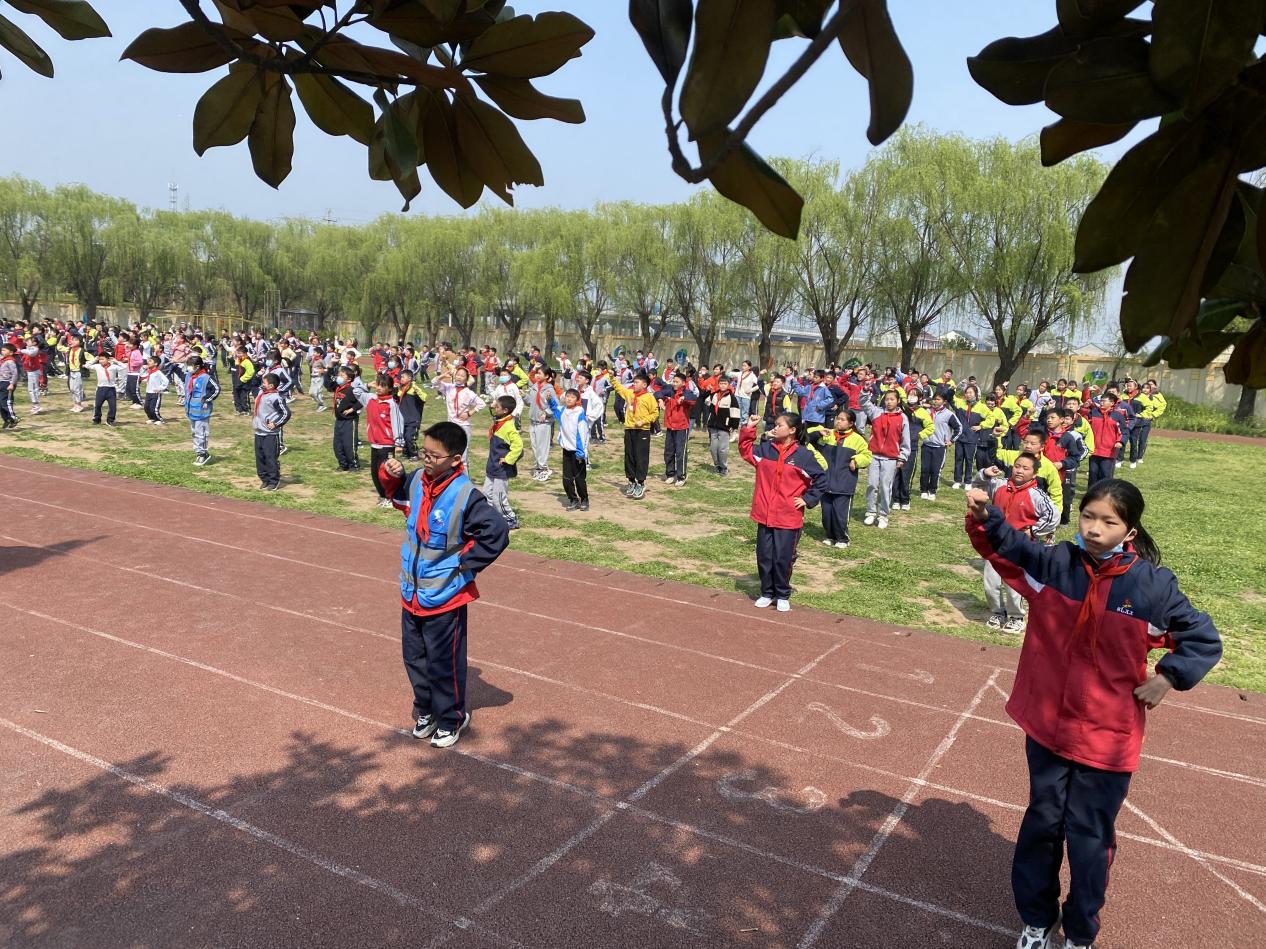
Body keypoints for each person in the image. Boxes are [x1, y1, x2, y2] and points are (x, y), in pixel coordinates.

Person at [966, 479, 1221, 949]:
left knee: (1088, 838)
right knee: (1042, 823)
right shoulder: (1056, 564)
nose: (1095, 528)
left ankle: (1080, 932)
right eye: (1088, 517)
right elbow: (1008, 548)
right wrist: (986, 518)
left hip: (1107, 738)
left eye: (1109, 521)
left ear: (1130, 530)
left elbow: (1203, 638)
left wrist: (1167, 677)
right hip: (1048, 725)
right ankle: (1037, 919)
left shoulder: (1152, 586)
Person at [379, 422, 511, 749]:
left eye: (433, 455)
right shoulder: (418, 483)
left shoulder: (466, 496)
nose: (426, 459)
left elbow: (496, 533)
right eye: (424, 452)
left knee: (444, 661)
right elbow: (392, 494)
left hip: (444, 596)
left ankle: (451, 718)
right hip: (412, 593)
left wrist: (463, 567)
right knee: (415, 657)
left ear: (454, 460)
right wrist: (390, 473)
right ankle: (425, 711)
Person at [738, 412, 828, 612]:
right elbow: (745, 450)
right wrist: (750, 427)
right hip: (765, 514)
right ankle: (767, 592)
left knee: (783, 557)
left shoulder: (804, 455)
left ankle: (782, 594)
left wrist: (806, 499)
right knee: (764, 556)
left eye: (779, 425)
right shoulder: (765, 450)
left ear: (792, 430)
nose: (775, 427)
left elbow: (821, 480)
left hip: (788, 517)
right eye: (775, 425)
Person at [971, 454, 1058, 631]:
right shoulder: (999, 485)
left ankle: (1016, 616)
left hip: (1018, 546)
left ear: (1034, 474)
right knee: (991, 582)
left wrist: (1033, 531)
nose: (1020, 470)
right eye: (1017, 466)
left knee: (1013, 583)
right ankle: (997, 612)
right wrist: (985, 475)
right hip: (994, 542)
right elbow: (977, 489)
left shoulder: (1037, 495)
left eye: (1026, 468)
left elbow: (1053, 516)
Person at [810, 408, 871, 548]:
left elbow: (867, 456)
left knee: (840, 514)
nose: (838, 421)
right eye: (838, 418)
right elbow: (806, 437)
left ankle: (842, 538)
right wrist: (817, 433)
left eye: (842, 419)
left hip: (844, 483)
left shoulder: (857, 439)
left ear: (851, 424)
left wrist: (856, 460)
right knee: (826, 513)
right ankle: (829, 535)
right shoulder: (827, 434)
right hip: (826, 481)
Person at [859, 388, 910, 530]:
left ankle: (883, 515)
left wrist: (902, 457)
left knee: (885, 487)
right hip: (874, 455)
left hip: (890, 458)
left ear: (898, 401)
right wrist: (865, 390)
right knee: (872, 485)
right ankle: (870, 512)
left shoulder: (902, 418)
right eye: (887, 399)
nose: (889, 402)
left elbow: (905, 440)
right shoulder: (876, 413)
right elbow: (863, 402)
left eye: (892, 399)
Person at [610, 370, 658, 499]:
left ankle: (641, 482)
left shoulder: (649, 397)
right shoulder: (630, 393)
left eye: (637, 382)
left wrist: (643, 421)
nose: (634, 384)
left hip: (642, 430)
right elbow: (619, 388)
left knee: (640, 457)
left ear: (644, 385)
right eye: (634, 382)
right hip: (629, 429)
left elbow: (655, 413)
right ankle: (631, 481)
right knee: (629, 455)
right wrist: (612, 377)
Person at [547, 387, 592, 511]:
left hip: (578, 451)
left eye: (572, 397)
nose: (569, 399)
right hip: (566, 451)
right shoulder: (563, 411)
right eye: (567, 396)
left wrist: (581, 451)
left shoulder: (579, 413)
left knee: (579, 478)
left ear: (577, 400)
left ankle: (584, 500)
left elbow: (582, 434)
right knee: (566, 479)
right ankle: (573, 499)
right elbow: (555, 409)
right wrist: (550, 400)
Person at [364, 373, 405, 507]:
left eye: (383, 386)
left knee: (386, 473)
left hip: (387, 444)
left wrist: (399, 442)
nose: (379, 388)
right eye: (378, 384)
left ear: (389, 388)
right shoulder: (371, 399)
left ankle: (391, 497)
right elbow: (355, 390)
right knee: (375, 472)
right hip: (375, 444)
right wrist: (367, 385)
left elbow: (398, 422)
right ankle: (383, 496)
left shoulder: (391, 404)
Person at [484, 395, 523, 528]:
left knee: (498, 497)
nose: (495, 407)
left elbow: (518, 446)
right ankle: (492, 518)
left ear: (505, 410)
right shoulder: (499, 421)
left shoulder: (508, 426)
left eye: (498, 406)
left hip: (502, 468)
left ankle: (510, 519)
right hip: (492, 465)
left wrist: (508, 459)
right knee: (487, 494)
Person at [252, 371, 291, 491]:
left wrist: (276, 423)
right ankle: (264, 479)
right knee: (260, 457)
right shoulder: (261, 393)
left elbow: (286, 413)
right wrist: (258, 375)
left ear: (271, 386)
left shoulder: (275, 397)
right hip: (259, 432)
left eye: (264, 382)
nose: (262, 384)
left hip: (270, 434)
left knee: (270, 457)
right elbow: (253, 385)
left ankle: (273, 480)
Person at [919, 392, 961, 501]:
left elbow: (959, 428)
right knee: (925, 469)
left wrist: (952, 440)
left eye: (938, 399)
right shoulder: (927, 412)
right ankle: (923, 490)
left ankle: (932, 491)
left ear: (944, 402)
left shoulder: (948, 414)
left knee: (935, 470)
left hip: (939, 447)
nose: (936, 401)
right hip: (927, 445)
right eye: (935, 399)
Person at [657, 370, 696, 485]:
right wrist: (660, 400)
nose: (674, 383)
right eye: (673, 381)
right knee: (668, 452)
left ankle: (681, 476)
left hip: (681, 427)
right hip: (670, 426)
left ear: (683, 383)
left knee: (680, 452)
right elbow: (657, 393)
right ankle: (670, 474)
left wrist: (683, 398)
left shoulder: (687, 393)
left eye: (676, 382)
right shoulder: (669, 391)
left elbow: (693, 398)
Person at [184, 355, 221, 466]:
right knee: (194, 432)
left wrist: (207, 400)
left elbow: (216, 389)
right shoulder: (190, 376)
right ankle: (197, 451)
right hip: (191, 409)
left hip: (202, 410)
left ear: (198, 366)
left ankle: (203, 453)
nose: (189, 368)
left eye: (191, 366)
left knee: (202, 433)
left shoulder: (206, 377)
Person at [706, 375, 742, 475]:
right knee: (713, 448)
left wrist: (733, 427)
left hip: (724, 427)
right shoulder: (714, 395)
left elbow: (735, 413)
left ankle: (723, 467)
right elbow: (710, 408)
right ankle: (717, 465)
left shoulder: (731, 397)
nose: (722, 385)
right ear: (718, 384)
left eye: (725, 384)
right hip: (713, 425)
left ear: (728, 385)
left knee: (722, 449)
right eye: (721, 383)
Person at [1087, 394, 1123, 489]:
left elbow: (1124, 431)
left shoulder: (1117, 416)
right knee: (1093, 474)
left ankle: (1105, 494)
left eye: (1104, 401)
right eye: (1101, 400)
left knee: (1105, 474)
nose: (1101, 402)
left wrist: (1120, 441)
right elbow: (1086, 427)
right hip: (1094, 450)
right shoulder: (1094, 413)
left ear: (1112, 403)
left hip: (1108, 451)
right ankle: (1091, 494)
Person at [331, 365, 361, 471]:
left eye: (342, 375)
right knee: (337, 445)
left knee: (349, 445)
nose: (339, 377)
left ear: (348, 379)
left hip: (349, 421)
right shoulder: (338, 388)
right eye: (339, 375)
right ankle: (343, 464)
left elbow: (361, 401)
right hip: (339, 420)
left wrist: (351, 409)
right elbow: (327, 383)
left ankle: (354, 464)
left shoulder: (352, 390)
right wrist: (329, 368)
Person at [395, 370, 428, 460]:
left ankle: (414, 453)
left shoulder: (414, 388)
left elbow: (424, 398)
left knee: (410, 437)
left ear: (409, 378)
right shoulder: (400, 389)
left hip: (413, 418)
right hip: (403, 418)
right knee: (404, 436)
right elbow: (396, 399)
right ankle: (407, 451)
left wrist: (416, 390)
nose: (401, 379)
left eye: (403, 377)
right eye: (401, 377)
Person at [85, 351, 121, 427]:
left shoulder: (113, 367)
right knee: (98, 405)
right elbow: (87, 365)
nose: (101, 361)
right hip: (101, 389)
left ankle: (110, 420)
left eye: (103, 359)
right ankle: (97, 419)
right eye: (100, 359)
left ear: (108, 359)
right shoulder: (97, 366)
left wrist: (116, 361)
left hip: (111, 389)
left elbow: (124, 367)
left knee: (113, 406)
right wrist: (95, 359)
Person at [142, 355, 170, 424]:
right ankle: (152, 418)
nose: (148, 362)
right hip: (148, 392)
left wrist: (160, 388)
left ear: (155, 364)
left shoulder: (158, 372)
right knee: (146, 407)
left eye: (150, 361)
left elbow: (166, 381)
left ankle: (159, 419)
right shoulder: (149, 371)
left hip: (155, 393)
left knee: (153, 408)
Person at [0, 343, 18, 429]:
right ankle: (6, 420)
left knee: (5, 402)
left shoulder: (10, 361)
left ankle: (13, 418)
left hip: (7, 383)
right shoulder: (3, 360)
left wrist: (12, 384)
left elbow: (15, 374)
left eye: (4, 350)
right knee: (1, 404)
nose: (2, 351)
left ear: (11, 352)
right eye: (2, 350)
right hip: (1, 382)